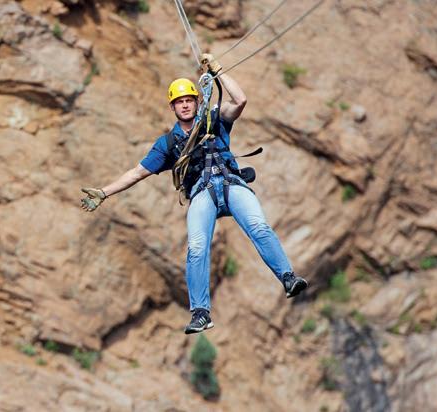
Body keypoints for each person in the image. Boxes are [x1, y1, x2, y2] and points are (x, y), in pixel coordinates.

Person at [80, 54, 308, 334]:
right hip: (202, 193)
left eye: (189, 100)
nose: (185, 105)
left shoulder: (214, 120)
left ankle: (288, 277)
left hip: (231, 184)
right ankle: (200, 312)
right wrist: (104, 192)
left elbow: (240, 100)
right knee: (197, 248)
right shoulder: (168, 144)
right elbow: (137, 172)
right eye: (180, 102)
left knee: (259, 226)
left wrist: (218, 71)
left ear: (197, 101)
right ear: (172, 107)